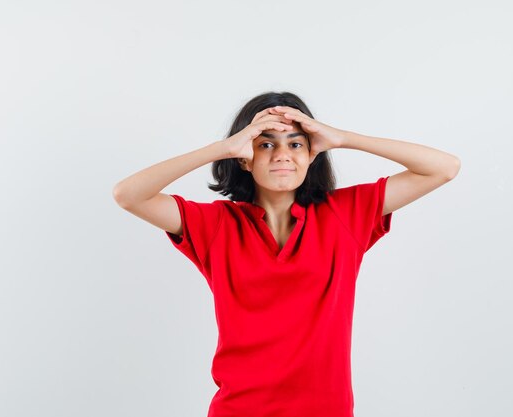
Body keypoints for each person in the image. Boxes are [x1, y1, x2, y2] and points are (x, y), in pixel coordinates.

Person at [112, 91, 461, 417]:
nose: (282, 154)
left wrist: (341, 137)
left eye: (296, 143)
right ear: (245, 158)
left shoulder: (345, 214)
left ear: (312, 154)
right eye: (266, 144)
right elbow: (129, 195)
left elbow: (443, 167)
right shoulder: (216, 225)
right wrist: (222, 148)